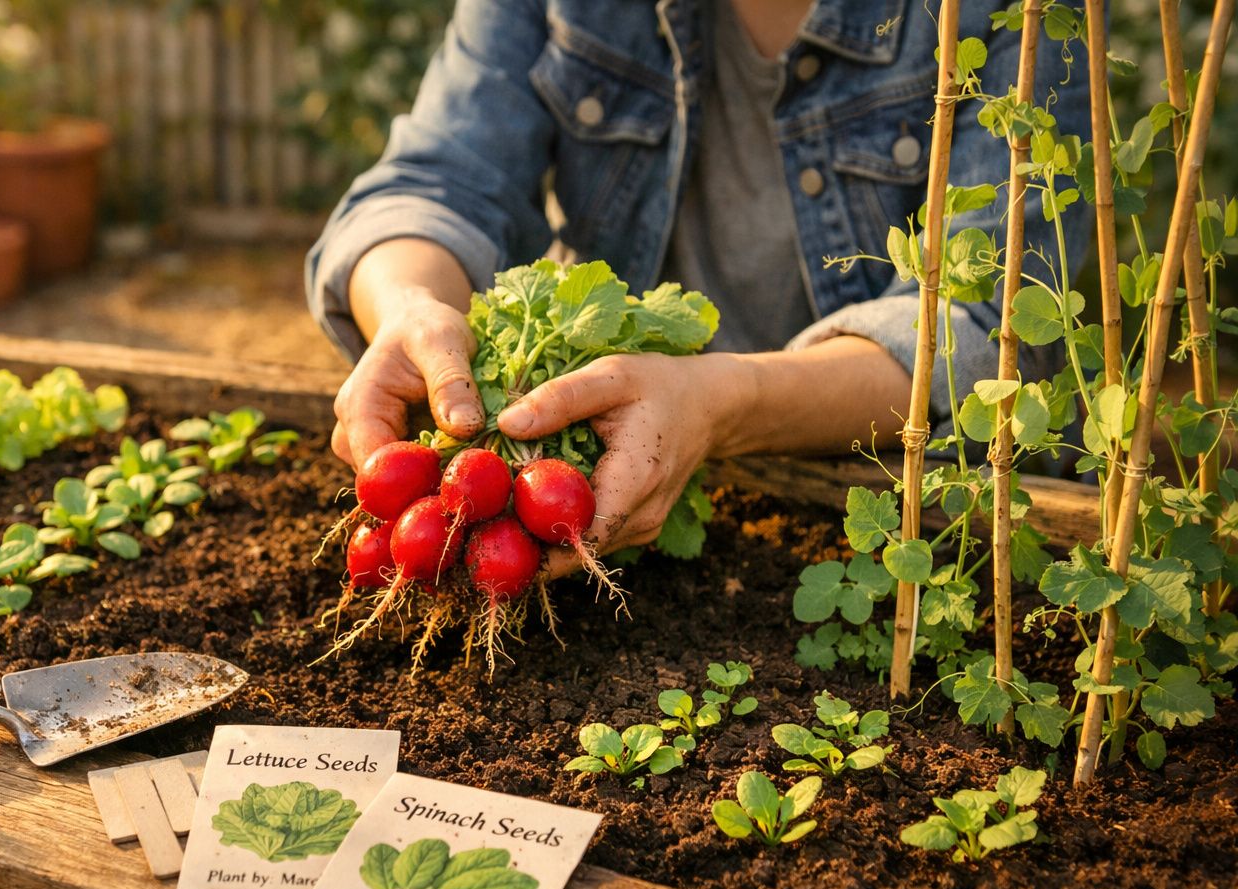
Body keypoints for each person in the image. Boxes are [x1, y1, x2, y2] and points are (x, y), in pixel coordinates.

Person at [306, 0, 1090, 577]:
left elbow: (995, 326)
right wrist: (409, 305)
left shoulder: (1005, 13)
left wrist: (722, 402)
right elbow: (437, 183)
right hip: (622, 479)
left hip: (908, 518)